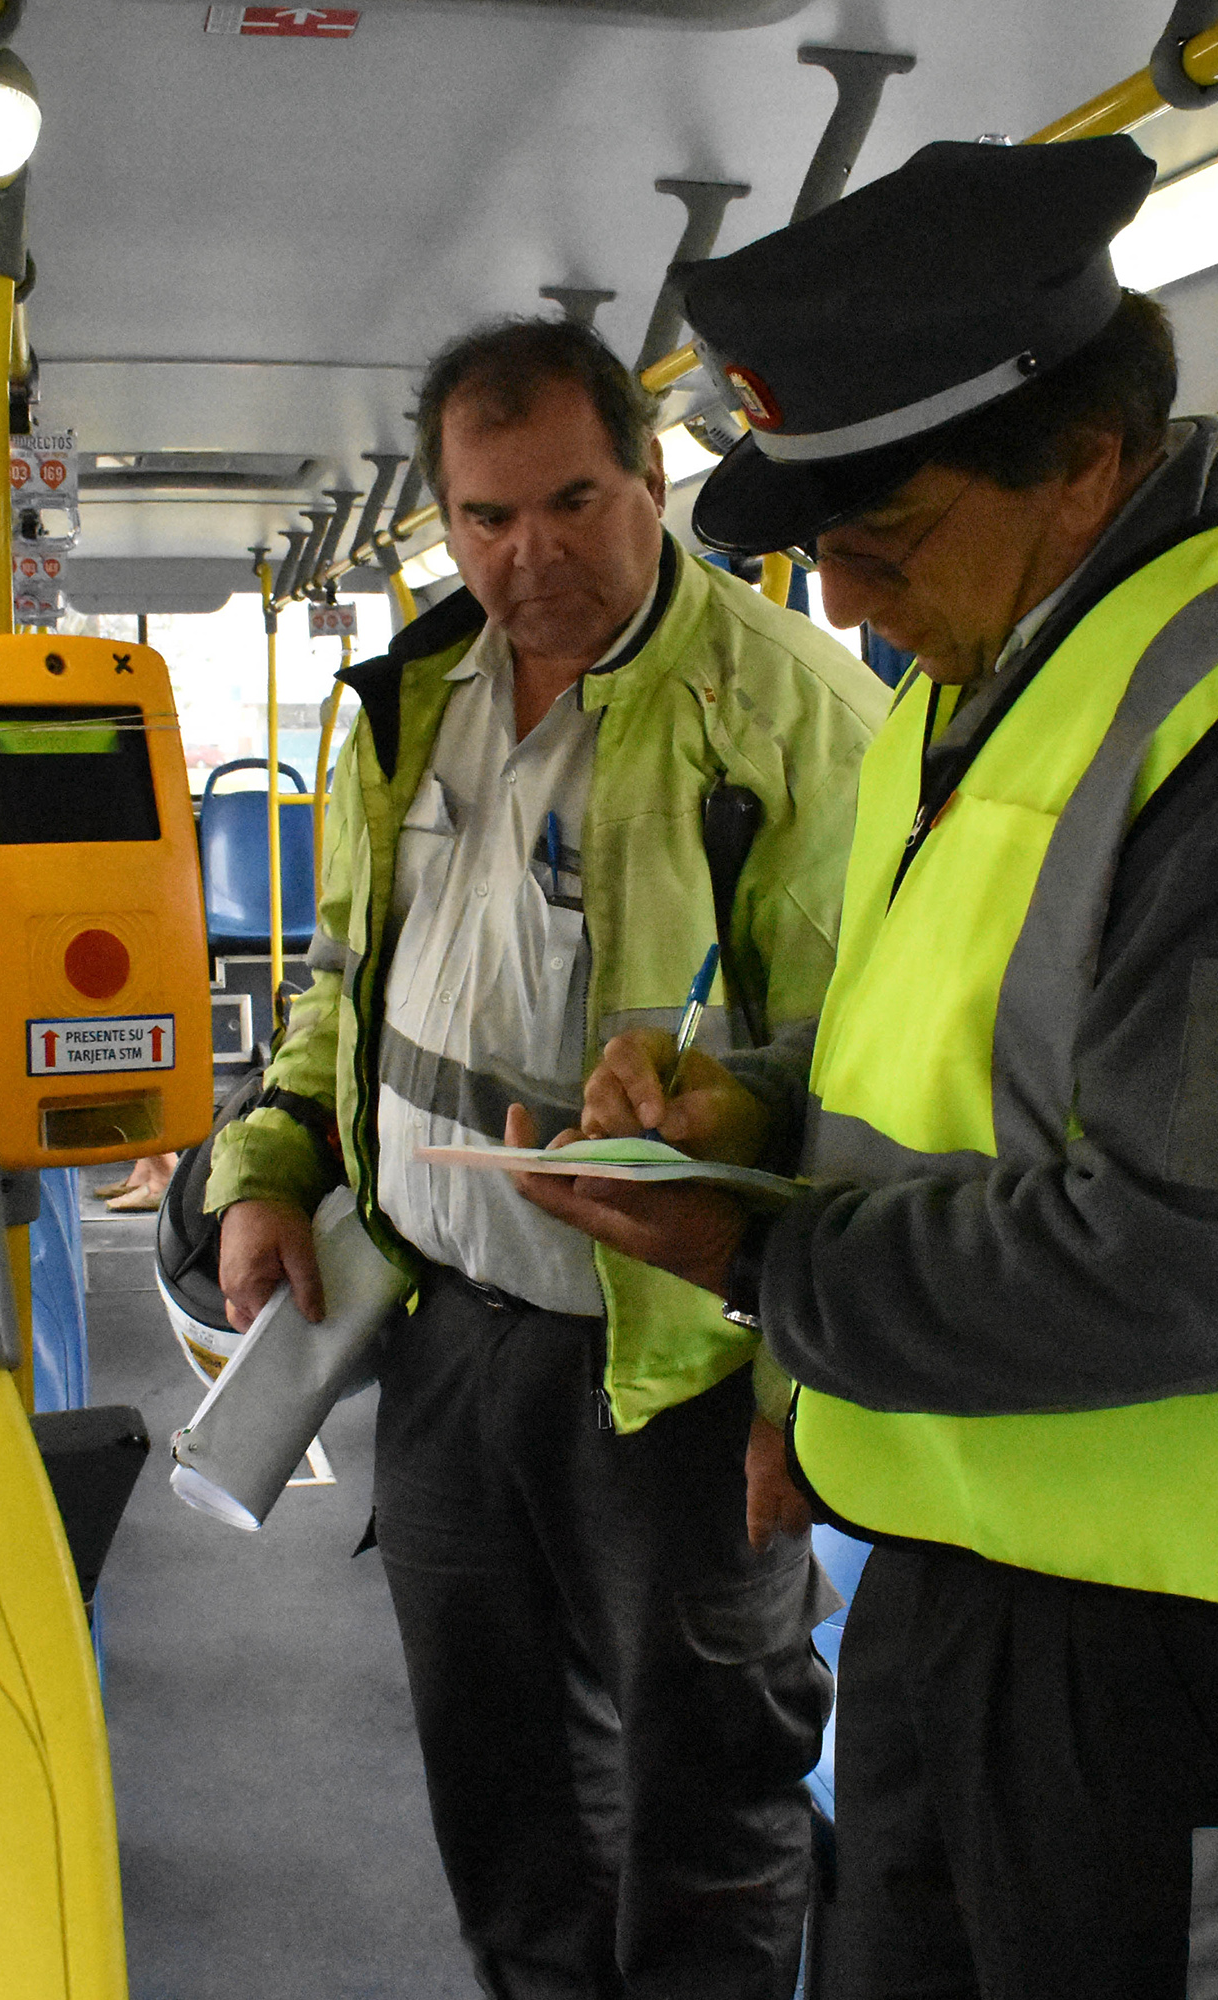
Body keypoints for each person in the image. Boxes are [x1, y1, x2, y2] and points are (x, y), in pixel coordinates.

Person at [514, 137, 1218, 2000]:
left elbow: (1193, 1251)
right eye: (830, 558)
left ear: (1083, 470)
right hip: (949, 1551)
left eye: (882, 546)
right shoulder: (978, 685)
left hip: (1182, 1642)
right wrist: (760, 1112)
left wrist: (762, 1265)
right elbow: (979, 1064)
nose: (859, 604)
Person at [204, 316, 888, 1998]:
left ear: (656, 480)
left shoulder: (793, 717)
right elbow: (347, 995)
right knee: (498, 1782)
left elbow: (877, 1096)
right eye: (487, 519)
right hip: (443, 1330)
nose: (532, 555)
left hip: (680, 1365)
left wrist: (809, 1403)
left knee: (707, 1788)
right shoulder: (408, 702)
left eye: (574, 502)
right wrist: (274, 1162)